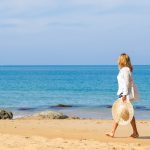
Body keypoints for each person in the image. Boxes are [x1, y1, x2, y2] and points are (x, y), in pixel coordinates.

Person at [105, 53, 139, 138]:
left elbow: (127, 83)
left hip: (125, 95)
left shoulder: (125, 70)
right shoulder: (125, 69)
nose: (118, 61)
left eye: (119, 59)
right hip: (124, 94)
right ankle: (135, 132)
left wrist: (124, 95)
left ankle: (113, 132)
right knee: (127, 113)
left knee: (119, 113)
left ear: (122, 60)